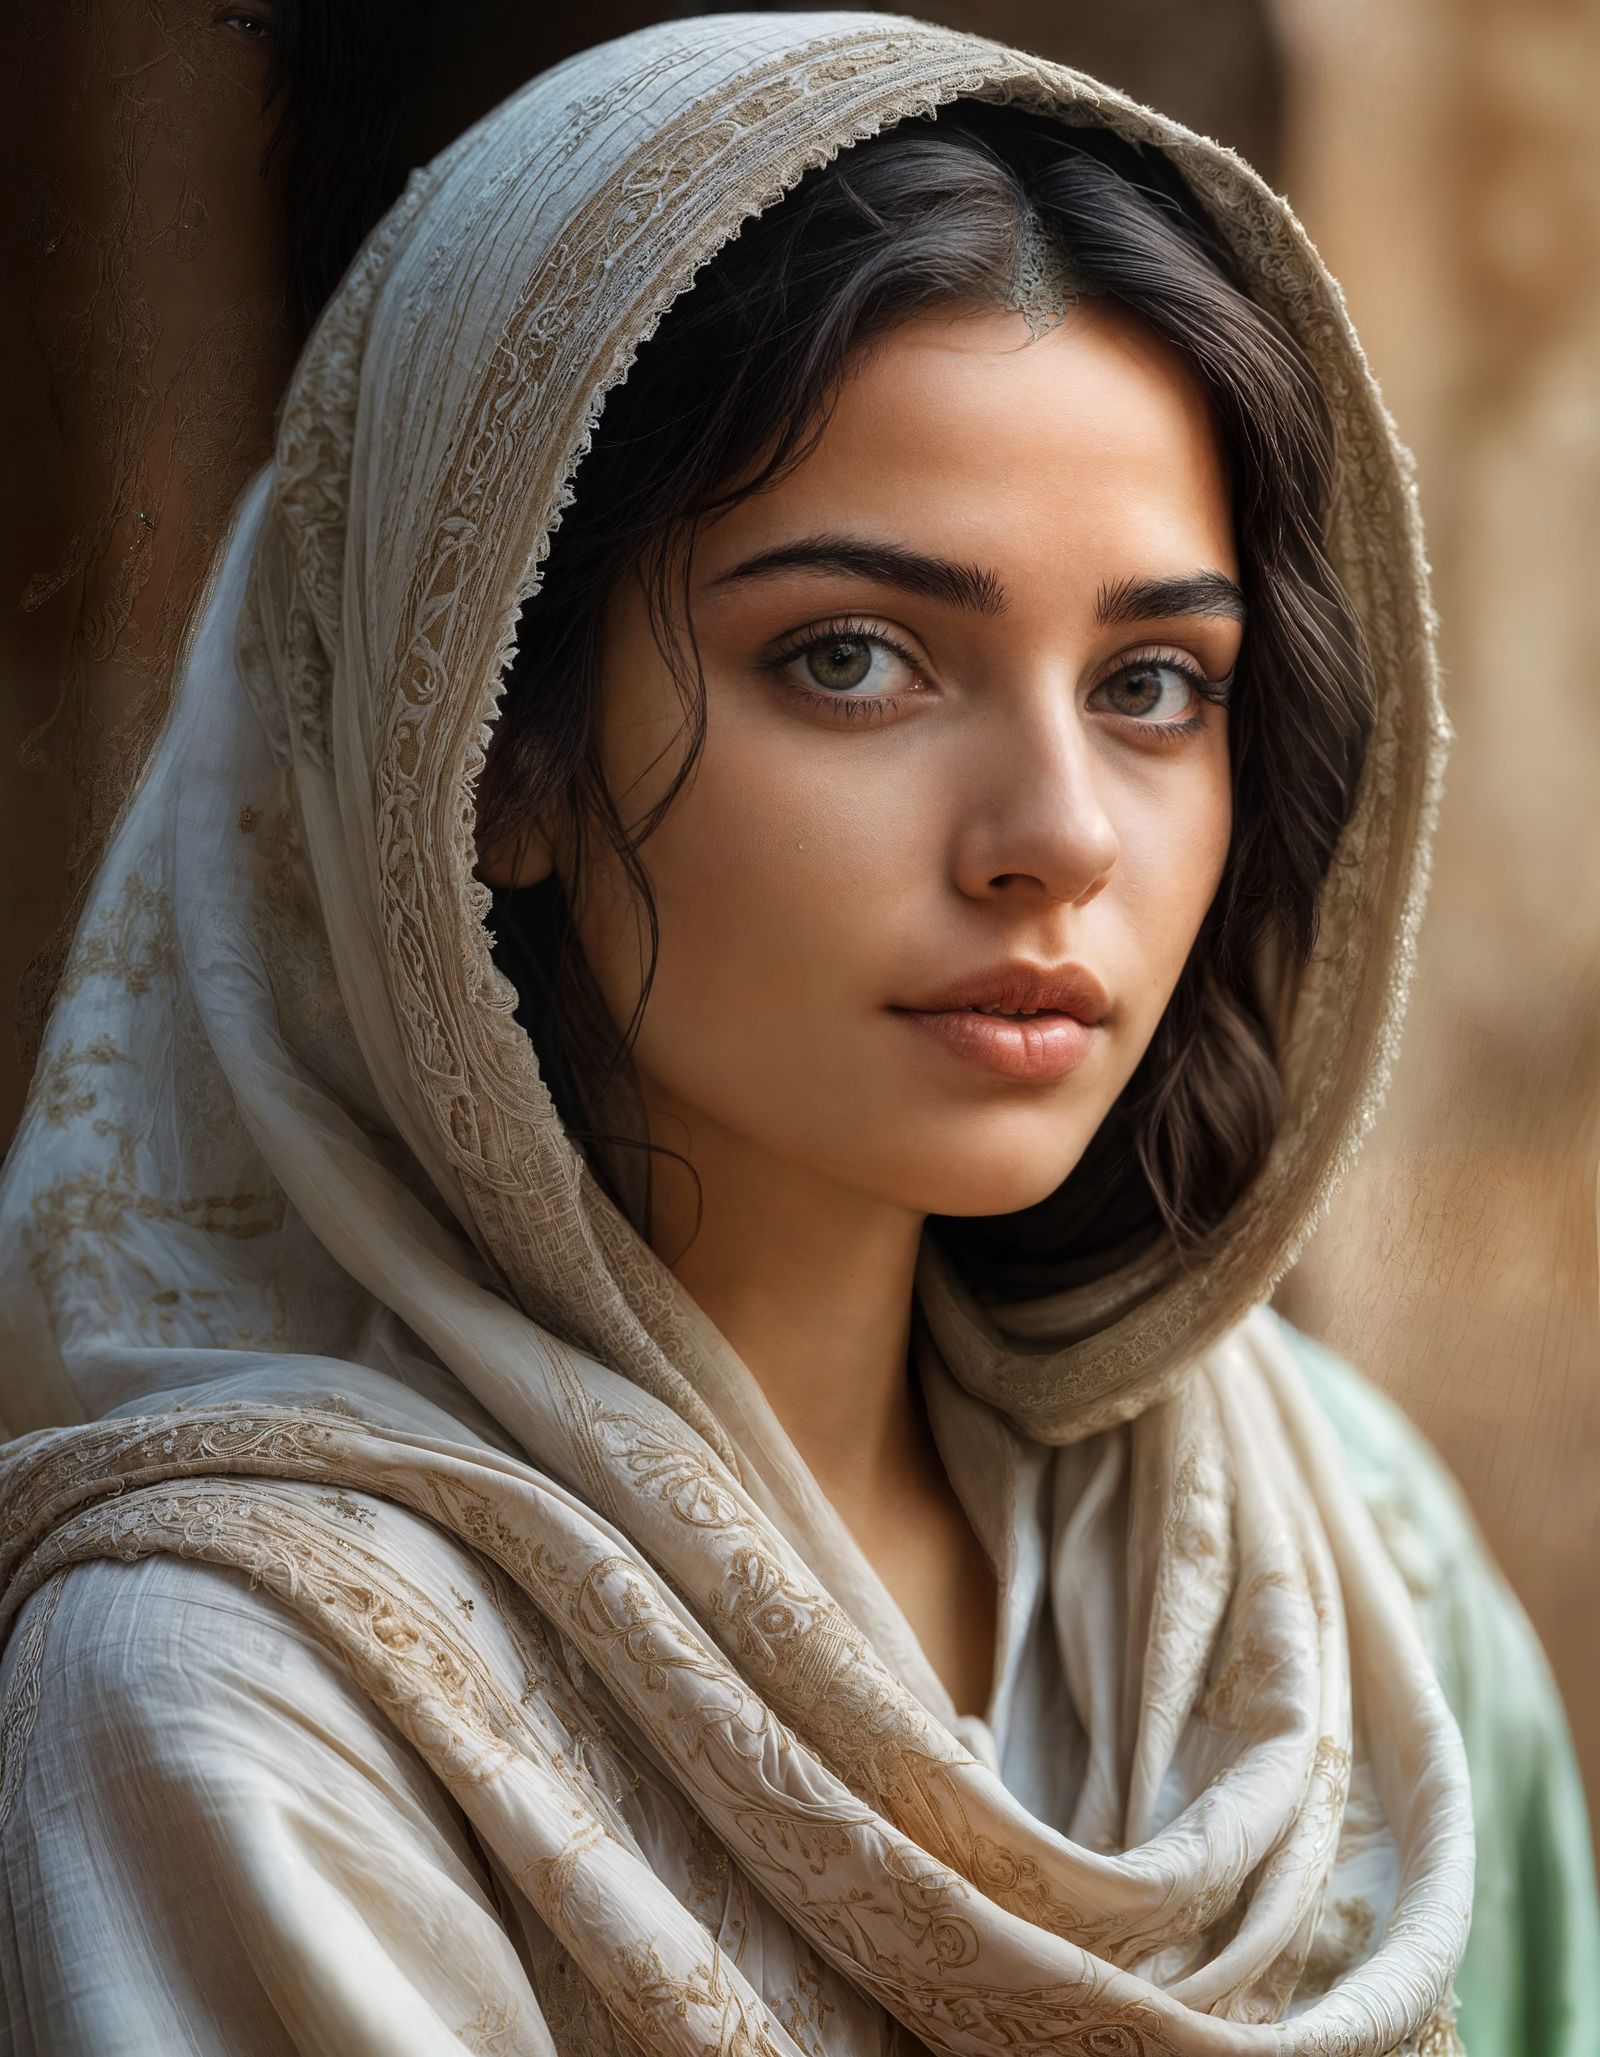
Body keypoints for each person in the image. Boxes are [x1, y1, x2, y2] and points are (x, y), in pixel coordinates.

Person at [0, 12, 1593, 2053]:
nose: (1053, 839)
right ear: (488, 754)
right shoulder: (247, 1690)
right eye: (849, 659)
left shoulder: (1342, 1578)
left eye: (1152, 683)